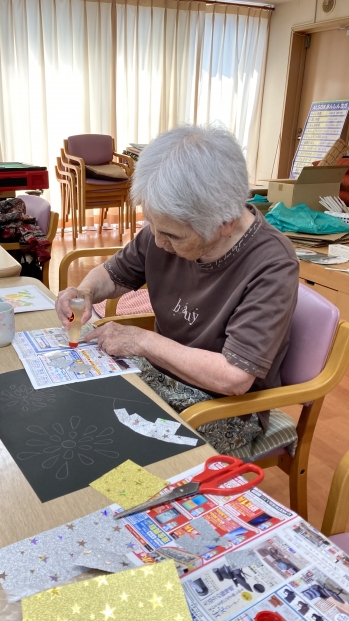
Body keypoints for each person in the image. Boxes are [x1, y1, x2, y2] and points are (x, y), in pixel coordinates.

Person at [56, 124, 299, 455]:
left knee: (114, 448)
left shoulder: (272, 263)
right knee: (77, 408)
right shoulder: (167, 226)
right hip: (160, 373)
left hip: (223, 407)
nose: (158, 242)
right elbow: (113, 275)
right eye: (153, 227)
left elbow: (234, 378)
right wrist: (85, 291)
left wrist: (143, 341)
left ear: (225, 222)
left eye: (172, 236)